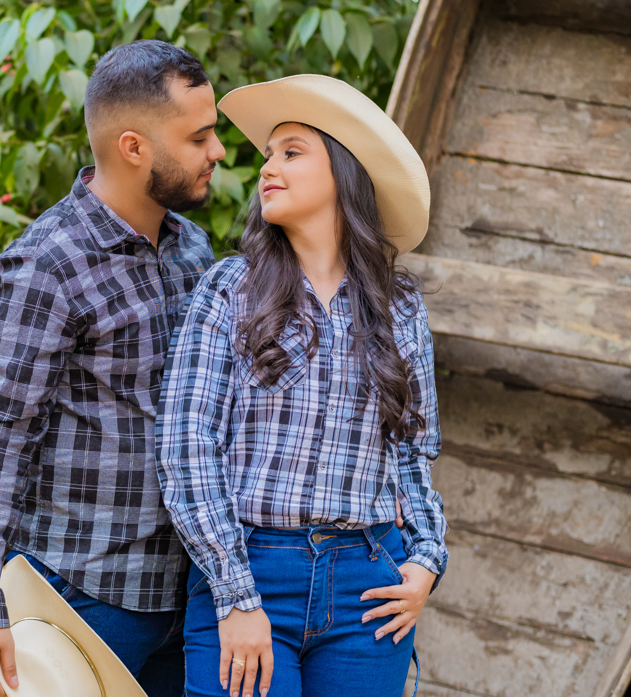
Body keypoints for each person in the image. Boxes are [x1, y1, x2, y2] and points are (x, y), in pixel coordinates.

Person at [155, 75, 448, 697]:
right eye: (267, 155)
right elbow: (186, 447)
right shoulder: (230, 288)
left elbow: (414, 449)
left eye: (291, 152)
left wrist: (426, 559)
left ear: (345, 171)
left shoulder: (399, 307)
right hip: (249, 570)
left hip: (370, 583)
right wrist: (234, 597)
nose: (268, 169)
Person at [0, 39, 225, 697]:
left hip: (185, 597)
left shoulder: (194, 250)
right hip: (86, 598)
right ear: (134, 147)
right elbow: (0, 436)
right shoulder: (48, 265)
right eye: (199, 137)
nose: (217, 151)